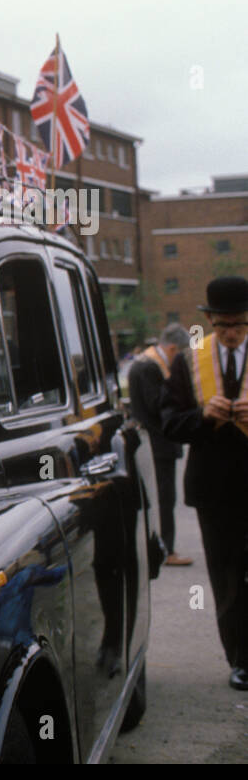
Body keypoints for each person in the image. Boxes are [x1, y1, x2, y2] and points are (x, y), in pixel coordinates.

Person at [161, 276, 248, 690]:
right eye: (222, 325)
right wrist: (203, 418)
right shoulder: (188, 362)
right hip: (214, 490)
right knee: (227, 578)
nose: (230, 333)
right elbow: (168, 423)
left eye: (239, 325)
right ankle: (240, 659)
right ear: (210, 320)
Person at [128, 324, 191, 566]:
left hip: (154, 442)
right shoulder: (150, 367)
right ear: (173, 348)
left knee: (160, 499)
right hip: (159, 443)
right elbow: (157, 404)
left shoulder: (143, 363)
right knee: (165, 499)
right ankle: (167, 550)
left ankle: (162, 548)